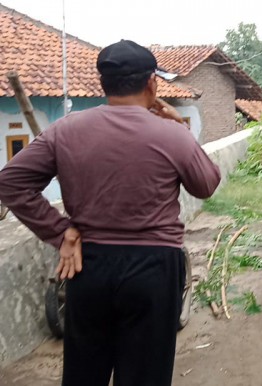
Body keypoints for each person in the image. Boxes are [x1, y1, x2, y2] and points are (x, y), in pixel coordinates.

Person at [0, 40, 221, 386]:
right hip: (154, 268)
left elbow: (10, 183)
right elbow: (206, 184)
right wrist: (181, 128)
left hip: (88, 265)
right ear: (152, 83)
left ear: (103, 84)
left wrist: (61, 232)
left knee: (84, 374)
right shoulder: (171, 134)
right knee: (145, 375)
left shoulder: (66, 129)